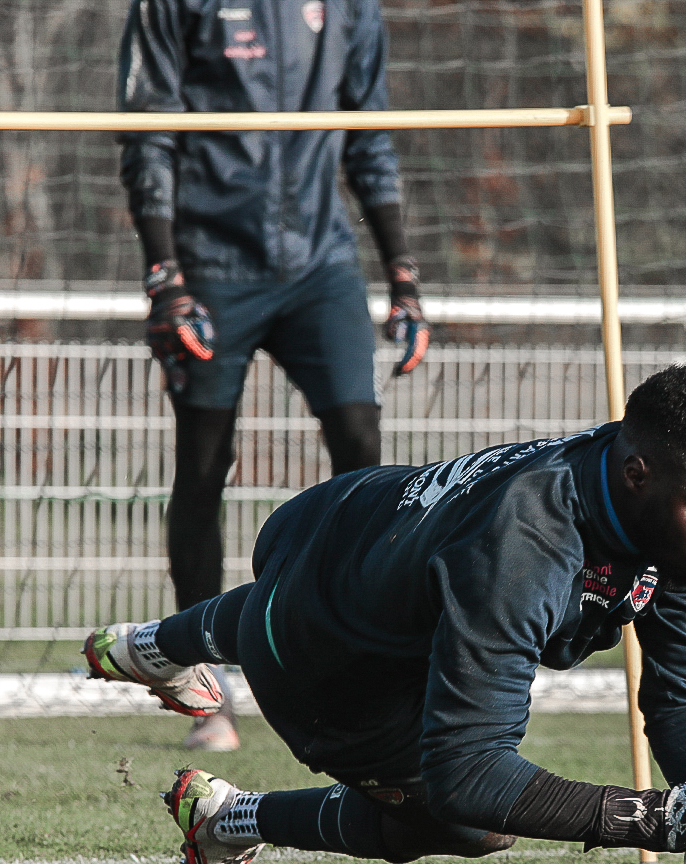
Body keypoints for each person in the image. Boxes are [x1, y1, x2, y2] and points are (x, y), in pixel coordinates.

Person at [82, 363, 686, 864]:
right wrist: (656, 817)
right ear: (637, 474)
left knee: (353, 605)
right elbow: (470, 773)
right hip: (323, 662)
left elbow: (679, 690)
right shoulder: (527, 545)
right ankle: (229, 818)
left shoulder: (683, 516)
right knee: (470, 825)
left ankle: (152, 646)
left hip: (353, 525)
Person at [116, 0, 430, 752]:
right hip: (213, 267)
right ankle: (203, 688)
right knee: (203, 465)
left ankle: (365, 663)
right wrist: (165, 273)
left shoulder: (353, 8)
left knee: (366, 456)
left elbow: (367, 135)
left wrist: (401, 273)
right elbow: (149, 131)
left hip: (322, 264)